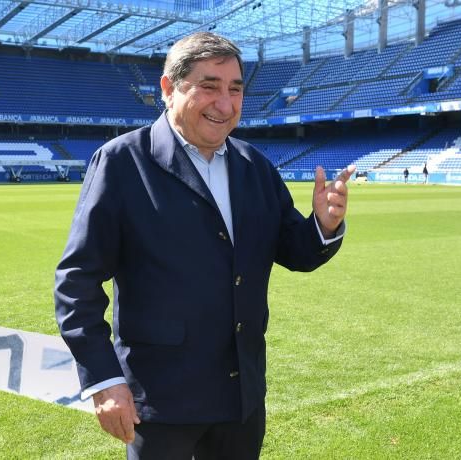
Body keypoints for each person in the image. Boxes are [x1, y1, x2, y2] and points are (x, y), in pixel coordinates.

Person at [54, 32, 354, 459]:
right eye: (209, 86)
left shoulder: (255, 167)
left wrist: (324, 225)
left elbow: (297, 251)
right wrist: (104, 380)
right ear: (168, 88)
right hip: (159, 406)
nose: (226, 104)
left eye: (235, 89)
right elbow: (76, 283)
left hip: (241, 399)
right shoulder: (122, 163)